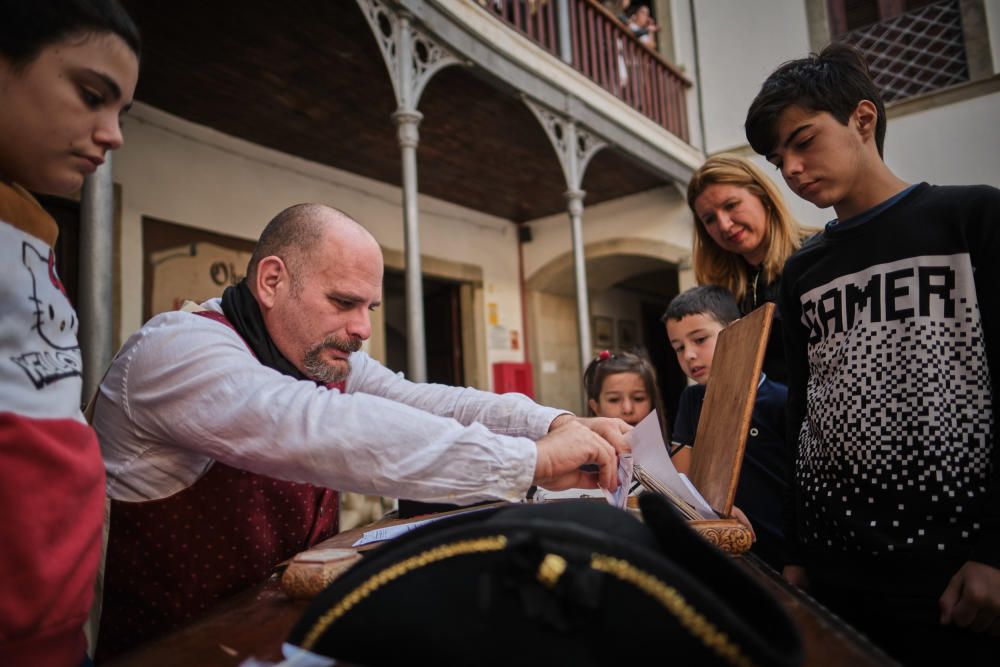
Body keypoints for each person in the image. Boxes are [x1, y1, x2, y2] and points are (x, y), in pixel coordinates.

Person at [92, 203, 631, 659]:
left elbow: (424, 400)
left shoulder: (315, 355)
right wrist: (529, 461)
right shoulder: (177, 351)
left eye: (369, 307)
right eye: (343, 303)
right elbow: (322, 427)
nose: (363, 328)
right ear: (272, 281)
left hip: (280, 637)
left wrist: (557, 421)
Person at [745, 43, 1000, 664]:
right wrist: (800, 552)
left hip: (952, 562)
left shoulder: (969, 218)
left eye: (803, 141)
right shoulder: (804, 270)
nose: (794, 169)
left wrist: (995, 549)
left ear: (862, 119)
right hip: (838, 568)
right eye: (781, 160)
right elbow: (805, 411)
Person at [0, 2, 140, 665]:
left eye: (121, 113)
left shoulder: (32, 231)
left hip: (55, 633)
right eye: (91, 96)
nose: (111, 135)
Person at [663, 286, 789, 570]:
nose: (689, 355)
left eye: (699, 339)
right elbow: (683, 477)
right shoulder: (692, 399)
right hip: (721, 549)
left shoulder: (780, 399)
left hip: (778, 552)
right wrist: (712, 506)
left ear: (736, 331)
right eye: (679, 348)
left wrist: (797, 559)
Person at [687, 153, 808, 384]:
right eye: (710, 219)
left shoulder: (814, 257)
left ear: (763, 197)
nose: (724, 225)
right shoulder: (719, 291)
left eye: (731, 205)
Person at [583, 349, 667, 436]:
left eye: (638, 398)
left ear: (652, 403)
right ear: (596, 408)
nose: (628, 409)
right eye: (614, 400)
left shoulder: (670, 449)